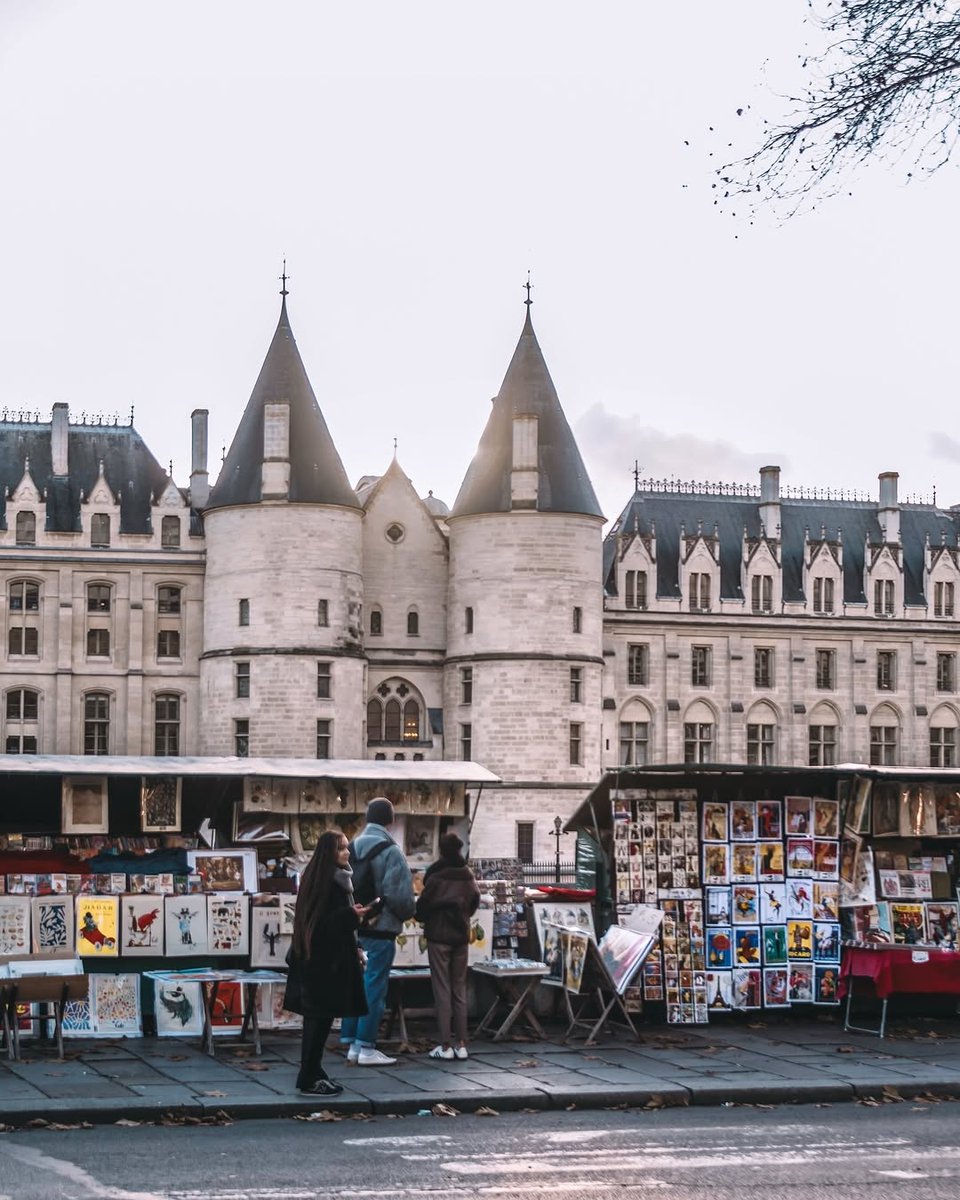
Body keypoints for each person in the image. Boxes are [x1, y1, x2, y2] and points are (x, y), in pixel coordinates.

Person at [284, 830, 371, 1096]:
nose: (347, 852)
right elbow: (320, 924)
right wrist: (351, 915)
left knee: (321, 1020)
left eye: (346, 847)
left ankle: (314, 1071)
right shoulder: (326, 882)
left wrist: (353, 943)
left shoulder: (333, 879)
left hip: (326, 961)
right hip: (321, 965)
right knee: (317, 1020)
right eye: (342, 848)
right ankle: (309, 1077)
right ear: (329, 853)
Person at [339, 798, 416, 1066]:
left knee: (354, 984)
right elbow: (401, 897)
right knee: (374, 986)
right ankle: (366, 1047)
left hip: (353, 926)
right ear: (391, 820)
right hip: (381, 928)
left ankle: (350, 1042)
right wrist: (407, 912)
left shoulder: (351, 847)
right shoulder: (391, 851)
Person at [415, 832, 480, 1060]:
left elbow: (421, 910)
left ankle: (444, 1046)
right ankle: (461, 1044)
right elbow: (474, 903)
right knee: (459, 989)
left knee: (442, 990)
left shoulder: (435, 877)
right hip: (461, 937)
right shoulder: (467, 875)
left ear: (441, 851)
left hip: (438, 937)